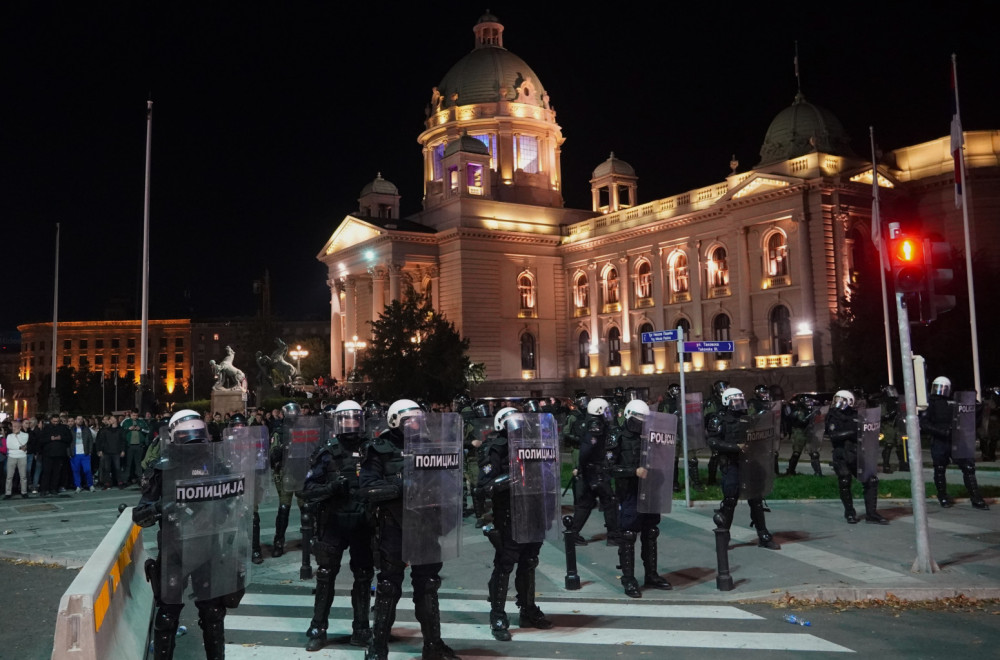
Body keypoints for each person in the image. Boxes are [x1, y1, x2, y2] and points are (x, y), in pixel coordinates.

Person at [133, 409, 248, 660]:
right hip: (175, 549)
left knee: (213, 614)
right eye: (188, 434)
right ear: (175, 436)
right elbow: (140, 515)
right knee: (167, 614)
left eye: (198, 433)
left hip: (209, 547)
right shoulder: (162, 468)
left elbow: (237, 499)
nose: (194, 440)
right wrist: (162, 506)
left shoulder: (217, 463)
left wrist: (231, 507)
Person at [359, 398, 460, 660]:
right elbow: (367, 488)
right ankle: (378, 646)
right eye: (409, 420)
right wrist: (402, 487)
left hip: (425, 526)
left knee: (427, 586)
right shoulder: (379, 449)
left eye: (418, 419)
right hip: (394, 526)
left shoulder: (430, 447)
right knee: (388, 587)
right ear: (395, 420)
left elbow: (447, 482)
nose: (415, 424)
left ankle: (433, 645)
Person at [302, 401, 374, 652]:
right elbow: (307, 490)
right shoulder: (327, 453)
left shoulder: (371, 450)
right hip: (333, 521)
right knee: (325, 576)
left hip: (363, 522)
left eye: (356, 419)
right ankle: (318, 628)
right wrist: (330, 488)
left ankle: (362, 628)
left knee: (364, 576)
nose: (352, 424)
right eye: (347, 419)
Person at [479, 407, 554, 641]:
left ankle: (528, 609)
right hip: (508, 513)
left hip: (533, 510)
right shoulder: (496, 448)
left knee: (530, 561)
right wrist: (511, 478)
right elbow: (485, 485)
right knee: (505, 564)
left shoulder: (532, 445)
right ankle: (498, 615)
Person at [610, 400, 673, 597]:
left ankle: (651, 575)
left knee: (651, 531)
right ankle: (629, 579)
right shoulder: (617, 437)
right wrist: (632, 471)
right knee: (628, 534)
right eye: (638, 419)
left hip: (651, 489)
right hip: (629, 492)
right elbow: (608, 468)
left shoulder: (651, 435)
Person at [706, 387, 780, 549]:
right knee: (730, 500)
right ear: (727, 401)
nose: (739, 403)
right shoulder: (719, 419)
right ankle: (723, 535)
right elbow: (713, 441)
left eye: (741, 399)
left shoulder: (748, 418)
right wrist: (735, 447)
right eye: (735, 400)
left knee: (756, 498)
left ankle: (763, 535)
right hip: (731, 463)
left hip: (750, 463)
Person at [921, 376, 989, 510]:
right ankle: (943, 497)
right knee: (940, 469)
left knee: (968, 469)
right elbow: (924, 423)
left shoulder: (955, 401)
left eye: (943, 388)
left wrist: (975, 403)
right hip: (941, 440)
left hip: (958, 440)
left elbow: (970, 415)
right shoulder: (931, 403)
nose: (939, 391)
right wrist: (942, 431)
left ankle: (976, 498)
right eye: (937, 387)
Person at [826, 390, 888, 524]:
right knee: (844, 481)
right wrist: (853, 432)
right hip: (841, 454)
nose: (837, 402)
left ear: (849, 401)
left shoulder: (857, 416)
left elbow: (867, 430)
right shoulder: (833, 415)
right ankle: (849, 513)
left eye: (840, 400)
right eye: (836, 399)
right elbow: (833, 435)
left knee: (871, 480)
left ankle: (871, 514)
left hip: (856, 453)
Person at [566, 397, 620, 546]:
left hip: (589, 471)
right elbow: (589, 449)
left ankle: (573, 534)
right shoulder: (596, 426)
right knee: (610, 502)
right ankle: (613, 536)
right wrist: (601, 463)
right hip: (596, 472)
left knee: (586, 503)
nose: (608, 413)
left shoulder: (591, 424)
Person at [659, 383, 688, 492]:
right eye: (674, 390)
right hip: (673, 433)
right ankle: (674, 483)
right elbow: (662, 419)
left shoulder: (684, 402)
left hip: (685, 432)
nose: (676, 392)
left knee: (692, 459)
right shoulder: (666, 404)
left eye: (678, 390)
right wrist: (673, 417)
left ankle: (696, 483)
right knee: (673, 460)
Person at [785, 396, 823, 476]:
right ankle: (790, 471)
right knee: (796, 453)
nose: (809, 403)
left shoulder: (812, 410)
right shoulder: (798, 410)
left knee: (814, 453)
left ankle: (818, 473)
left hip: (810, 431)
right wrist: (811, 414)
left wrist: (817, 412)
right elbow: (801, 421)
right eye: (807, 402)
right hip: (800, 432)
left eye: (810, 401)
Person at [39, 414, 72, 497]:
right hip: (48, 454)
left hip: (59, 454)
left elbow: (69, 438)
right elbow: (41, 440)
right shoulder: (46, 428)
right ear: (51, 420)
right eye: (54, 421)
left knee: (56, 472)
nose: (55, 423)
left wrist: (61, 438)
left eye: (57, 421)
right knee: (46, 472)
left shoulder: (64, 428)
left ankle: (53, 488)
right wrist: (50, 438)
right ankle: (44, 489)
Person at [877, 385, 908, 473]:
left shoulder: (896, 402)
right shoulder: (883, 402)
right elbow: (881, 416)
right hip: (888, 425)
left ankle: (903, 465)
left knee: (900, 444)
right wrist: (889, 415)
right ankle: (886, 465)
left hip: (897, 424)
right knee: (889, 443)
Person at [703, 380, 729, 485]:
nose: (724, 390)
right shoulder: (711, 402)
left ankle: (726, 478)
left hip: (728, 430)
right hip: (715, 431)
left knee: (727, 455)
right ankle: (711, 479)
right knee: (716, 454)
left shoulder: (729, 399)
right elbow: (706, 417)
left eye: (725, 388)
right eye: (722, 388)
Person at [121, 409, 150, 484]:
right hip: (129, 446)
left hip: (139, 446)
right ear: (131, 414)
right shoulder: (126, 422)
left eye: (136, 415)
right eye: (133, 415)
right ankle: (125, 480)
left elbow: (147, 431)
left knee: (138, 464)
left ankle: (140, 480)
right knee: (128, 464)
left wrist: (140, 429)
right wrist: (128, 429)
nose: (135, 417)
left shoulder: (141, 422)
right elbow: (120, 431)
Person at [69, 415, 96, 492]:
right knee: (76, 470)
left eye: (81, 419)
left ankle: (90, 485)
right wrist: (69, 453)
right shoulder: (71, 430)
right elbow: (68, 442)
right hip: (75, 454)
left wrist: (90, 451)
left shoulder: (86, 430)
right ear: (75, 420)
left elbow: (90, 441)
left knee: (87, 470)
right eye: (78, 419)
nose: (80, 420)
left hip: (85, 454)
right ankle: (78, 486)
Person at [5, 419, 30, 499]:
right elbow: (9, 446)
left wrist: (16, 436)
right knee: (9, 476)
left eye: (16, 426)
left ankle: (24, 492)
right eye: (13, 427)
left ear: (20, 427)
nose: (14, 428)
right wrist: (19, 447)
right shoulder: (9, 436)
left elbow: (23, 443)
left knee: (23, 476)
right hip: (12, 456)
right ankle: (8, 493)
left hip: (22, 456)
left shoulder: (25, 435)